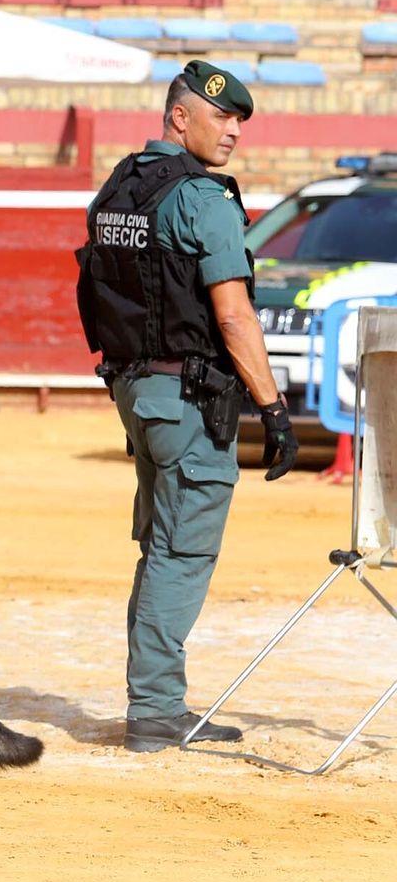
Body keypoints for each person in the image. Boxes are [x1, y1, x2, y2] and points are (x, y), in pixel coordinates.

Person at [76, 60, 299, 754]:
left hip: (136, 391)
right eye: (221, 117)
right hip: (188, 395)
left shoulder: (120, 185)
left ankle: (156, 700)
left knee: (159, 547)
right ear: (180, 117)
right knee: (182, 551)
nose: (233, 130)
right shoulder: (203, 199)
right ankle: (156, 713)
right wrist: (274, 409)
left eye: (239, 121)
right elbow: (233, 318)